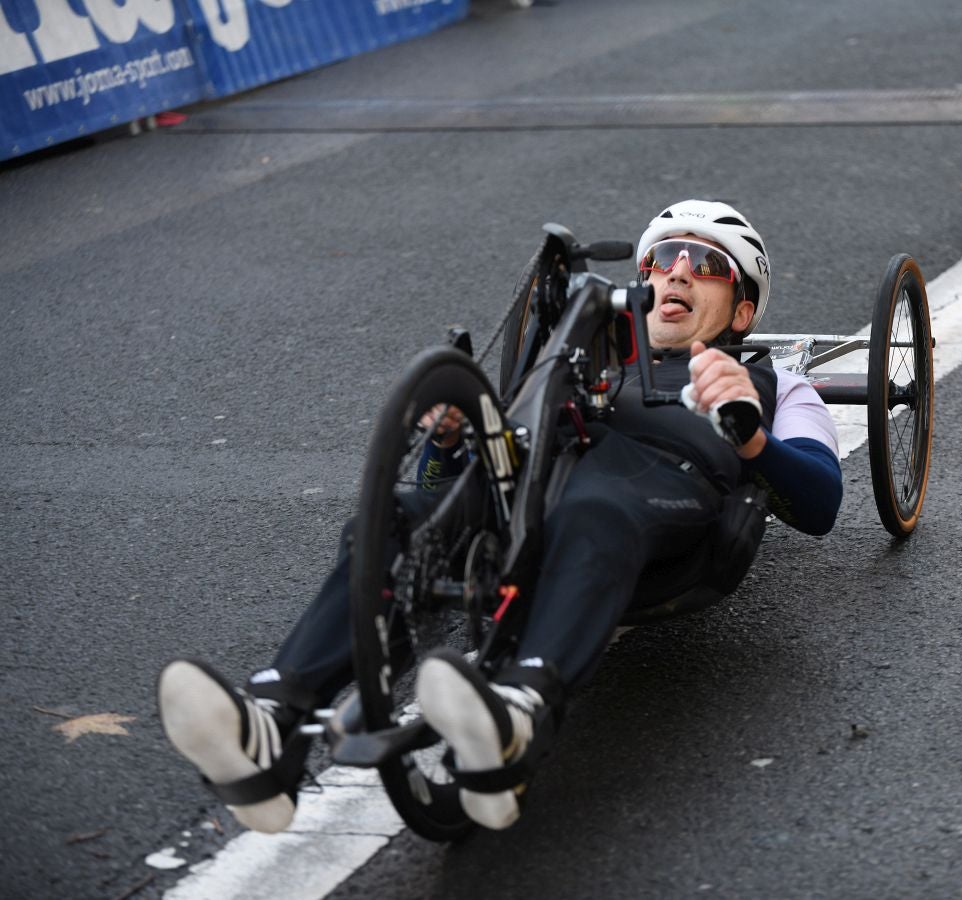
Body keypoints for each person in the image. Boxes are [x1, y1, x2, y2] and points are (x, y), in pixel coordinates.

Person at [157, 199, 844, 834]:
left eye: (708, 264)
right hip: (536, 492)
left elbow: (820, 502)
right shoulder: (579, 362)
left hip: (660, 501)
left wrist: (752, 435)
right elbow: (448, 485)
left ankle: (519, 713)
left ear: (743, 311)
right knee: (398, 513)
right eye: (663, 259)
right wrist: (451, 439)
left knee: (596, 506)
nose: (679, 272)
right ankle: (273, 722)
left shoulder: (774, 381)